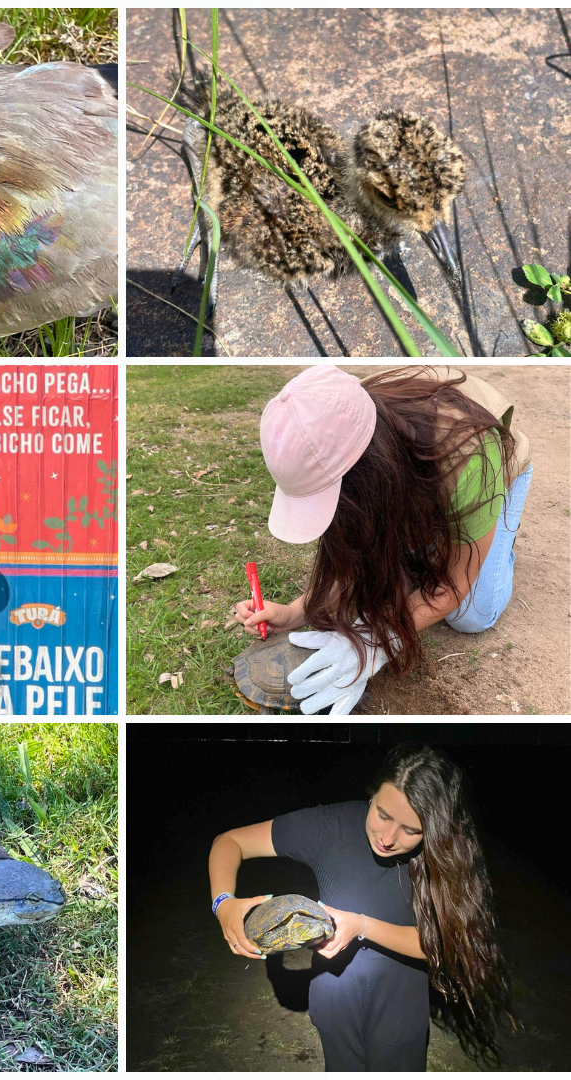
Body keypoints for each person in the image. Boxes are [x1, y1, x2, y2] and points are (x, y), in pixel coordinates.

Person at [232, 365, 533, 714]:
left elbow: (455, 584)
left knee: (471, 615)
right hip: (417, 484)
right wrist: (296, 611)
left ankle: (494, 539)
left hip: (493, 475)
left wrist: (376, 640)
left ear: (369, 475)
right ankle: (436, 542)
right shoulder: (330, 422)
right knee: (395, 572)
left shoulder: (468, 455)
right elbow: (361, 554)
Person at [209, 745, 515, 1070]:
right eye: (383, 814)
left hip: (401, 1013)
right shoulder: (330, 826)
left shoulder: (442, 854)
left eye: (411, 830)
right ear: (373, 793)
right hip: (334, 1006)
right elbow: (229, 842)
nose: (387, 837)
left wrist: (361, 925)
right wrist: (223, 903)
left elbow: (445, 945)